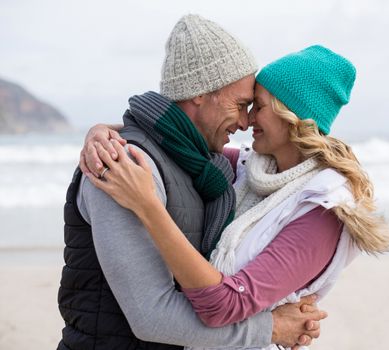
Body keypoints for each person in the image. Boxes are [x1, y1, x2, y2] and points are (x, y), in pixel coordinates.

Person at [83, 45, 389, 349]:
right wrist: (105, 133)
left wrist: (147, 205)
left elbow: (225, 304)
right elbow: (182, 140)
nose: (248, 120)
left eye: (258, 107)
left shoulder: (323, 210)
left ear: (292, 117)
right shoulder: (250, 168)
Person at [58, 14, 325, 350]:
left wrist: (103, 128)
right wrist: (270, 328)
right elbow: (152, 317)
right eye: (241, 104)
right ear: (200, 93)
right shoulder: (123, 168)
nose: (245, 121)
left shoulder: (201, 163)